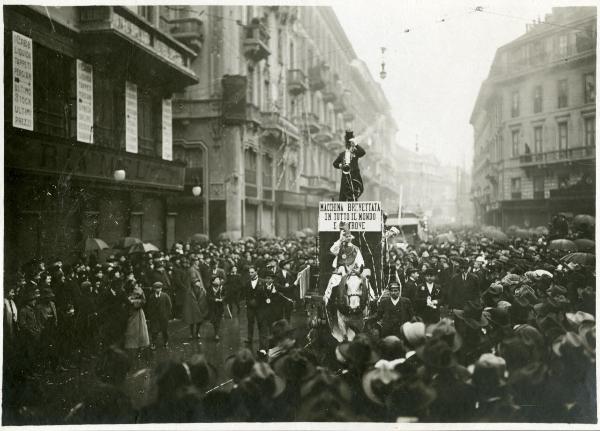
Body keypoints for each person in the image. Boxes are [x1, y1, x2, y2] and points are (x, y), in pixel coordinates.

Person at [333, 130, 366, 201]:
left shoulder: (356, 153)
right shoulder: (342, 154)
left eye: (351, 145)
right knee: (343, 197)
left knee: (353, 197)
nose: (350, 147)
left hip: (354, 176)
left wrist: (356, 144)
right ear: (347, 146)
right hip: (345, 176)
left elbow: (363, 152)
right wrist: (340, 165)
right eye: (349, 145)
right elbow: (334, 163)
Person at [244, 266, 270, 351]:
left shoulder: (263, 282)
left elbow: (267, 294)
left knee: (261, 323)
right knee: (250, 322)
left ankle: (262, 342)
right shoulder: (247, 283)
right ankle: (249, 338)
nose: (250, 274)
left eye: (252, 272)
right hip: (250, 307)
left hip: (260, 307)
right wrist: (248, 302)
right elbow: (246, 295)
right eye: (249, 272)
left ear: (256, 272)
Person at [123, 280, 150, 358]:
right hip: (129, 313)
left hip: (138, 313)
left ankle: (139, 348)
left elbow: (144, 301)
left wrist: (134, 302)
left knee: (140, 330)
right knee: (131, 330)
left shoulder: (139, 290)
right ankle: (131, 348)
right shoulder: (125, 290)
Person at [146, 282, 172, 350]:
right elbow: (149, 306)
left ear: (161, 288)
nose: (158, 290)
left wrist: (167, 314)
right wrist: (151, 315)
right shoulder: (152, 296)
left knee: (164, 330)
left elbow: (169, 305)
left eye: (159, 288)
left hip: (163, 316)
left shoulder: (165, 295)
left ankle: (166, 342)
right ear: (154, 289)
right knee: (154, 331)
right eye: (156, 288)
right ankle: (153, 343)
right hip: (155, 317)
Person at [207, 275, 225, 341]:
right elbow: (208, 297)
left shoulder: (221, 288)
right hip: (212, 307)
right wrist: (215, 299)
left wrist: (222, 299)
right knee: (214, 320)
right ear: (212, 282)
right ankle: (216, 332)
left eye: (218, 280)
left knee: (218, 320)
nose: (218, 281)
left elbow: (225, 295)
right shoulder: (209, 288)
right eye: (216, 280)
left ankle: (216, 334)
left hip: (219, 307)